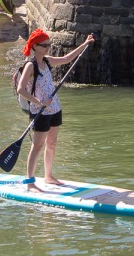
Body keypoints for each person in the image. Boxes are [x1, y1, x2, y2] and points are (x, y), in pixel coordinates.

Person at [15, 29, 97, 189]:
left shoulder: (47, 61)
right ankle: (30, 181)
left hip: (55, 109)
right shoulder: (30, 66)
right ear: (35, 46)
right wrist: (38, 102)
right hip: (40, 111)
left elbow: (67, 59)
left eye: (48, 44)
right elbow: (21, 89)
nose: (47, 47)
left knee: (51, 143)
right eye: (44, 45)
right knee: (37, 145)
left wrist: (85, 44)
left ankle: (48, 176)